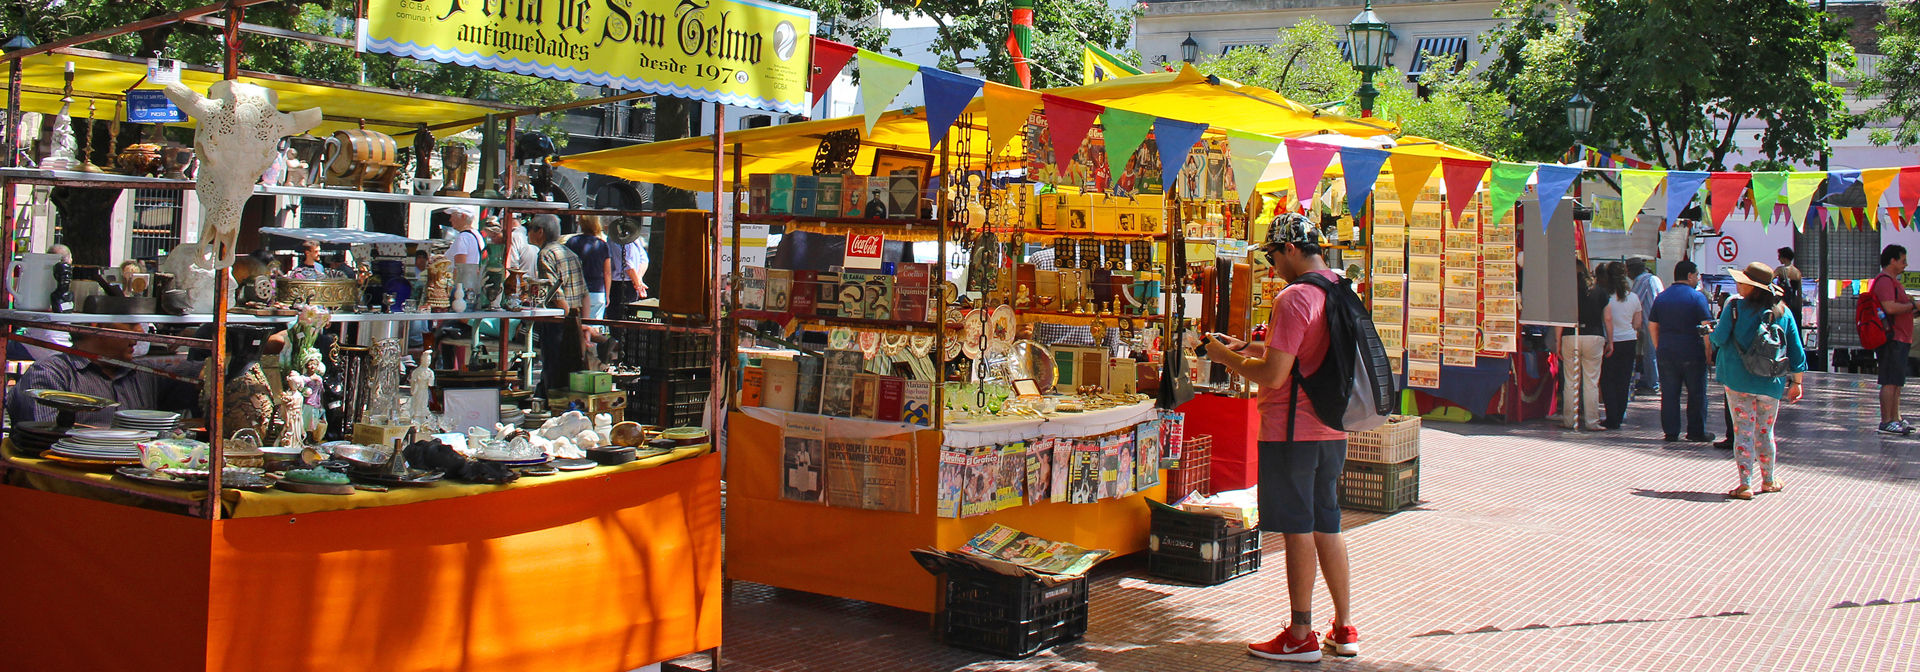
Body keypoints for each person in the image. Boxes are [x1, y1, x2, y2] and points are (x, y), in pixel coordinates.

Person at [1203, 215, 1359, 662]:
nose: (1271, 266)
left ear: (1290, 249)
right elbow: (1306, 353)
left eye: (1272, 256)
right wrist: (1247, 346)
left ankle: (1300, 634)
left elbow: (1275, 374)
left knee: (1297, 530)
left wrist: (1221, 357)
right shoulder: (1338, 287)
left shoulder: (1293, 298)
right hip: (1332, 427)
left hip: (1292, 431)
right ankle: (1344, 628)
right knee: (1327, 523)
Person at [1710, 262, 1807, 499]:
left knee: (1742, 431)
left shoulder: (1734, 307)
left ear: (1752, 287)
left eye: (1741, 282)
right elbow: (1796, 351)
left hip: (1737, 380)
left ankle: (1745, 484)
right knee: (1765, 431)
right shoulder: (1783, 312)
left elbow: (1720, 339)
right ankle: (1769, 480)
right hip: (1770, 382)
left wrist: (1710, 331)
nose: (1737, 285)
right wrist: (1797, 383)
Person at [5, 323, 202, 426]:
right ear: (95, 325)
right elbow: (44, 439)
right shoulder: (51, 373)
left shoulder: (144, 373)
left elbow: (207, 374)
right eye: (130, 325)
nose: (140, 332)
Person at [1649, 261, 1715, 443]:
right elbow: (1706, 326)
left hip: (1667, 351)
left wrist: (1658, 345)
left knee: (1669, 393)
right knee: (1696, 393)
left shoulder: (1661, 297)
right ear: (1689, 276)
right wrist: (1708, 351)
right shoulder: (1697, 297)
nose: (1698, 279)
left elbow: (1652, 325)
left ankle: (1671, 431)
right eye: (1697, 275)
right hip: (1692, 351)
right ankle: (1696, 432)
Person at [527, 214, 587, 396]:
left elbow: (555, 294)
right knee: (570, 368)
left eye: (529, 229)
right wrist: (582, 322)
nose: (527, 233)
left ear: (540, 232)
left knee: (554, 367)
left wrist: (572, 322)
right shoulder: (569, 252)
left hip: (558, 321)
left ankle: (551, 403)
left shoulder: (546, 254)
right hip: (572, 316)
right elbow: (585, 292)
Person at [1871, 245, 1914, 435]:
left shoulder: (1894, 282)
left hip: (1902, 337)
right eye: (1903, 260)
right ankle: (1886, 420)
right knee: (1889, 380)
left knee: (1897, 381)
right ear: (1893, 261)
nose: (1905, 264)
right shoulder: (1885, 281)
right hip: (1892, 338)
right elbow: (1889, 307)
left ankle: (1896, 418)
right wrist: (1912, 305)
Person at [1561, 261, 1608, 431]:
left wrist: (1558, 341)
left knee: (1570, 381)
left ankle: (1569, 420)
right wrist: (1610, 338)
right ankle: (1592, 421)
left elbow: (1561, 318)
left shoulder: (1566, 291)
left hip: (1570, 334)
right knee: (1591, 382)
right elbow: (1607, 318)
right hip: (1594, 336)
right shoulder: (1600, 291)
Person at [1600, 261, 1644, 429]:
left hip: (1609, 341)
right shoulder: (1633, 297)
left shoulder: (1605, 296)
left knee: (1608, 380)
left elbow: (1606, 319)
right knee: (1624, 380)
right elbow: (1638, 323)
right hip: (1629, 340)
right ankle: (1619, 414)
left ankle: (1611, 416)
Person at [565, 214, 613, 321]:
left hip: (575, 289)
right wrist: (607, 295)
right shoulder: (602, 245)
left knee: (575, 325)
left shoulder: (572, 242)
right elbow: (607, 273)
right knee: (594, 326)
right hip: (597, 290)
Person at [1628, 256, 1664, 395]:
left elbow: (1633, 302)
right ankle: (1657, 382)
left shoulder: (1640, 281)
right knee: (1656, 353)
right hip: (1661, 320)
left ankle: (1652, 384)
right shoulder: (1655, 278)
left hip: (1650, 322)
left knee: (1650, 354)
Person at [608, 228, 648, 321]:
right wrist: (638, 282)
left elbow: (630, 264)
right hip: (626, 283)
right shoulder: (632, 240)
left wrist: (638, 281)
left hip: (622, 285)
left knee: (621, 318)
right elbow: (630, 263)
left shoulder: (631, 241)